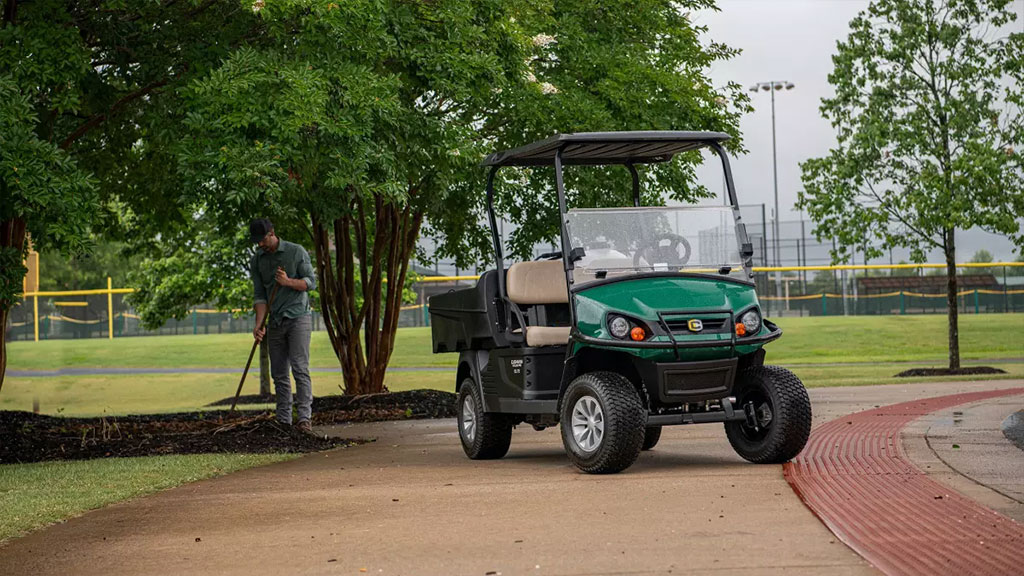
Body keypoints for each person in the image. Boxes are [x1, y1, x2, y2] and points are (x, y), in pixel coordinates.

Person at [249, 218, 317, 432]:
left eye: (263, 240)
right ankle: (284, 421)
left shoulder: (296, 252)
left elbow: (310, 282)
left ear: (272, 232)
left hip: (298, 317)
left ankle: (304, 419)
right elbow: (260, 295)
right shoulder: (258, 260)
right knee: (278, 373)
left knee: (299, 368)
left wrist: (288, 282)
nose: (260, 244)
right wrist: (259, 325)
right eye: (257, 241)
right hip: (275, 320)